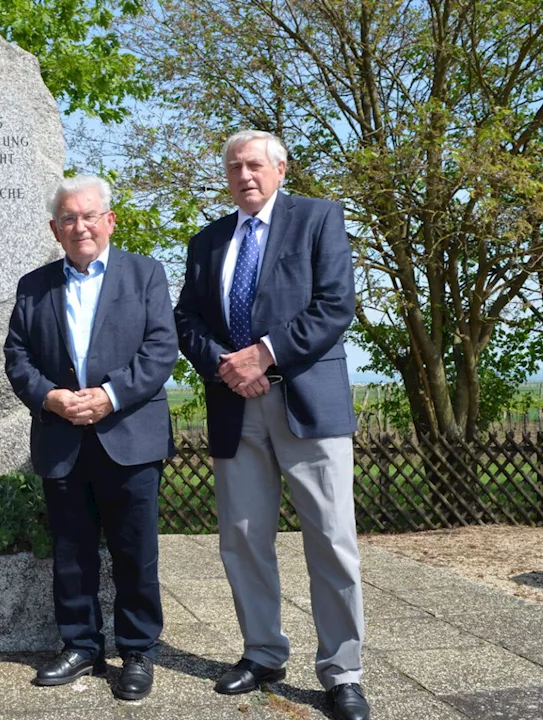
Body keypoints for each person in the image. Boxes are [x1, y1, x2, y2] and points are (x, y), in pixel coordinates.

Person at [174, 130, 369, 720]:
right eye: (234, 167)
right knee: (242, 540)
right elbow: (187, 319)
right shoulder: (207, 240)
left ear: (281, 168)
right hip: (237, 407)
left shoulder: (318, 219)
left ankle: (343, 672)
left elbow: (334, 305)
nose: (244, 176)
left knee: (332, 541)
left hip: (308, 405)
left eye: (255, 165)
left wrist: (265, 353)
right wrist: (227, 367)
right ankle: (262, 653)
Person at [4, 176, 177, 701]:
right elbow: (17, 359)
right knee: (72, 552)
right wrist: (51, 398)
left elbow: (160, 349)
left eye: (89, 216)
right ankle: (81, 644)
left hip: (129, 435)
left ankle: (139, 651)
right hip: (62, 437)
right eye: (68, 219)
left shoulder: (146, 274)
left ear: (109, 221)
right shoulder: (34, 286)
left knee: (135, 552)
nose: (80, 226)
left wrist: (109, 395)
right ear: (55, 230)